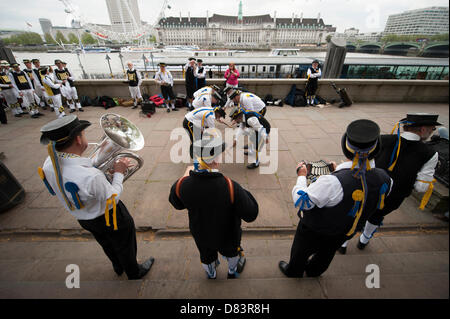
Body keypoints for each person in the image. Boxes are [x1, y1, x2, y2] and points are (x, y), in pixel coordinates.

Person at [38, 115, 155, 279]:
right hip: (110, 216)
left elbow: (78, 180)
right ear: (78, 140)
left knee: (105, 242)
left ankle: (117, 265)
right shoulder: (90, 176)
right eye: (84, 134)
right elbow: (112, 197)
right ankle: (134, 272)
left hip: (84, 218)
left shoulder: (49, 164)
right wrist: (119, 173)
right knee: (124, 243)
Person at [279, 119, 393, 277]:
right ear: (376, 149)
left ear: (346, 148)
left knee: (301, 252)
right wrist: (338, 170)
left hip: (315, 230)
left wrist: (301, 175)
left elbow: (302, 201)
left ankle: (294, 271)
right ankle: (314, 272)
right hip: (345, 231)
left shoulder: (332, 182)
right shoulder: (385, 178)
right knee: (327, 254)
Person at [339, 114, 441, 254]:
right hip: (394, 197)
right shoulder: (430, 154)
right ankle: (364, 240)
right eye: (432, 128)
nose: (433, 131)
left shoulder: (383, 140)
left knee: (356, 214)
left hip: (368, 189)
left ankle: (343, 244)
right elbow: (421, 187)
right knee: (376, 216)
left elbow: (363, 164)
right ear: (423, 129)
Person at [169, 133, 259, 279]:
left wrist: (183, 180)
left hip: (200, 233)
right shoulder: (230, 186)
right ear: (216, 161)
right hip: (227, 235)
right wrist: (242, 191)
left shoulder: (180, 185)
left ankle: (211, 274)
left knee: (206, 255)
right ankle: (232, 271)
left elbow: (177, 204)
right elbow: (251, 214)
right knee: (231, 254)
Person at [229, 101, 271, 169]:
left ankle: (256, 163)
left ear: (239, 117)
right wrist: (236, 139)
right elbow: (241, 128)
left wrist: (265, 137)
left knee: (257, 146)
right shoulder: (243, 117)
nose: (235, 121)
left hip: (264, 128)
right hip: (255, 127)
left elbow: (260, 128)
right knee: (252, 138)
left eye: (235, 119)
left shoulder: (250, 120)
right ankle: (251, 151)